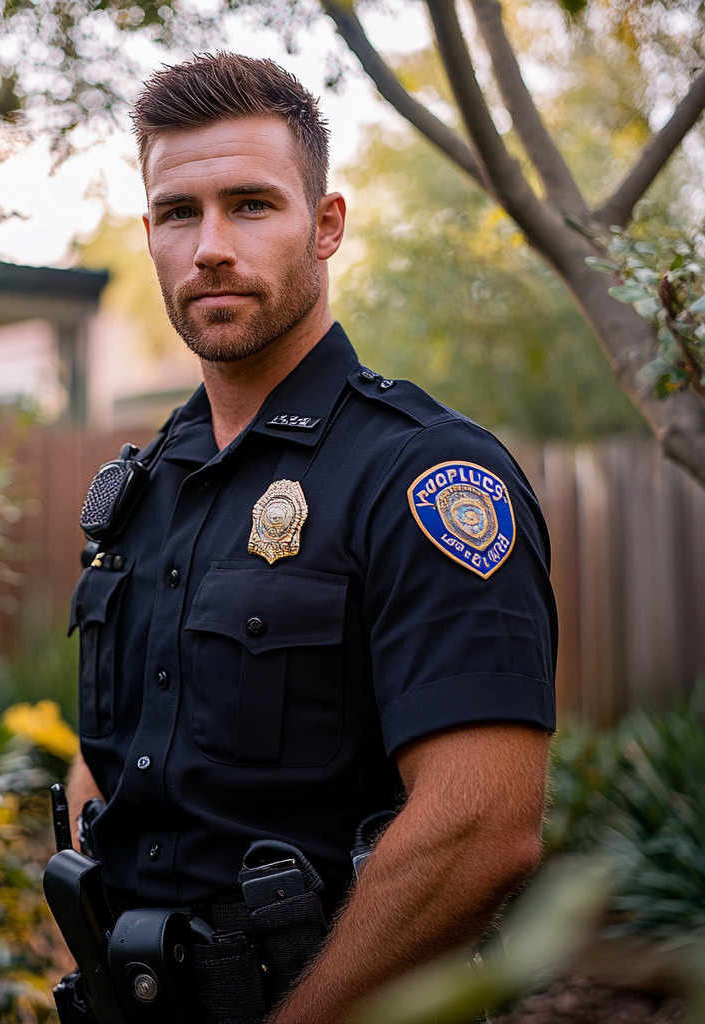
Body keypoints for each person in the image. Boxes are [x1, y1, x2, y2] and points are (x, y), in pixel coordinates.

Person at [65, 52, 556, 1024]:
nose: (209, 246)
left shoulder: (422, 475)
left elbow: (481, 828)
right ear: (151, 235)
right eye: (178, 212)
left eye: (250, 204)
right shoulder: (141, 487)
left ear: (324, 225)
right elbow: (107, 763)